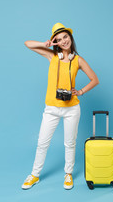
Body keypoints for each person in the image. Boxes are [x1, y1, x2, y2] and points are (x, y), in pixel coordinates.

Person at [22, 23, 99, 190]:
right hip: (51, 108)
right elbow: (27, 43)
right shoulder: (52, 56)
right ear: (55, 42)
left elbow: (95, 79)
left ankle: (68, 174)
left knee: (69, 143)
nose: (64, 41)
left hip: (72, 108)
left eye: (66, 37)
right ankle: (34, 175)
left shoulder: (78, 60)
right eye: (59, 39)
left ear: (70, 37)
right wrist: (45, 44)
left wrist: (80, 91)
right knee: (42, 142)